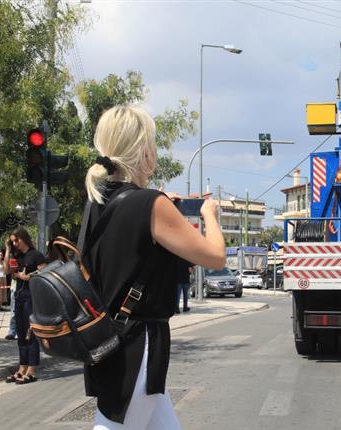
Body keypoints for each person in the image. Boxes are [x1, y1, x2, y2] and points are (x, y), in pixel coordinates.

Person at [81, 105, 226, 429]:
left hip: (110, 339)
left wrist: (158, 202)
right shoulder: (149, 204)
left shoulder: (97, 201)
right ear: (144, 150)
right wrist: (209, 216)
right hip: (137, 342)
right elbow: (215, 257)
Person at [4, 227, 44, 384]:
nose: (15, 244)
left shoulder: (36, 255)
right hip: (19, 296)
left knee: (30, 333)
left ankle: (32, 370)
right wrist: (7, 249)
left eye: (16, 240)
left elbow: (44, 274)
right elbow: (7, 270)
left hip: (32, 297)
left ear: (24, 238)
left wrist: (26, 277)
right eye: (12, 241)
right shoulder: (17, 256)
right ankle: (22, 367)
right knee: (20, 333)